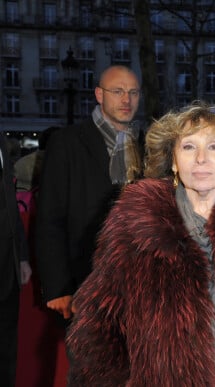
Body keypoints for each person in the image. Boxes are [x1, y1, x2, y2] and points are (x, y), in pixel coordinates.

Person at [65, 101, 215, 386]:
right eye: (188, 147)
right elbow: (98, 327)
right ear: (174, 160)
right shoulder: (135, 226)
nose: (201, 159)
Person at [35, 65, 143, 322]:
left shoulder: (146, 143)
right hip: (85, 280)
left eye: (133, 92)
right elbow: (50, 219)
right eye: (117, 91)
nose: (126, 99)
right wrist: (58, 287)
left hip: (138, 286)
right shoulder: (67, 142)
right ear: (99, 94)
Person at [0, 132, 32, 387]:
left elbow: (9, 201)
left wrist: (21, 255)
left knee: (7, 346)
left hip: (7, 263)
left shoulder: (0, 139)